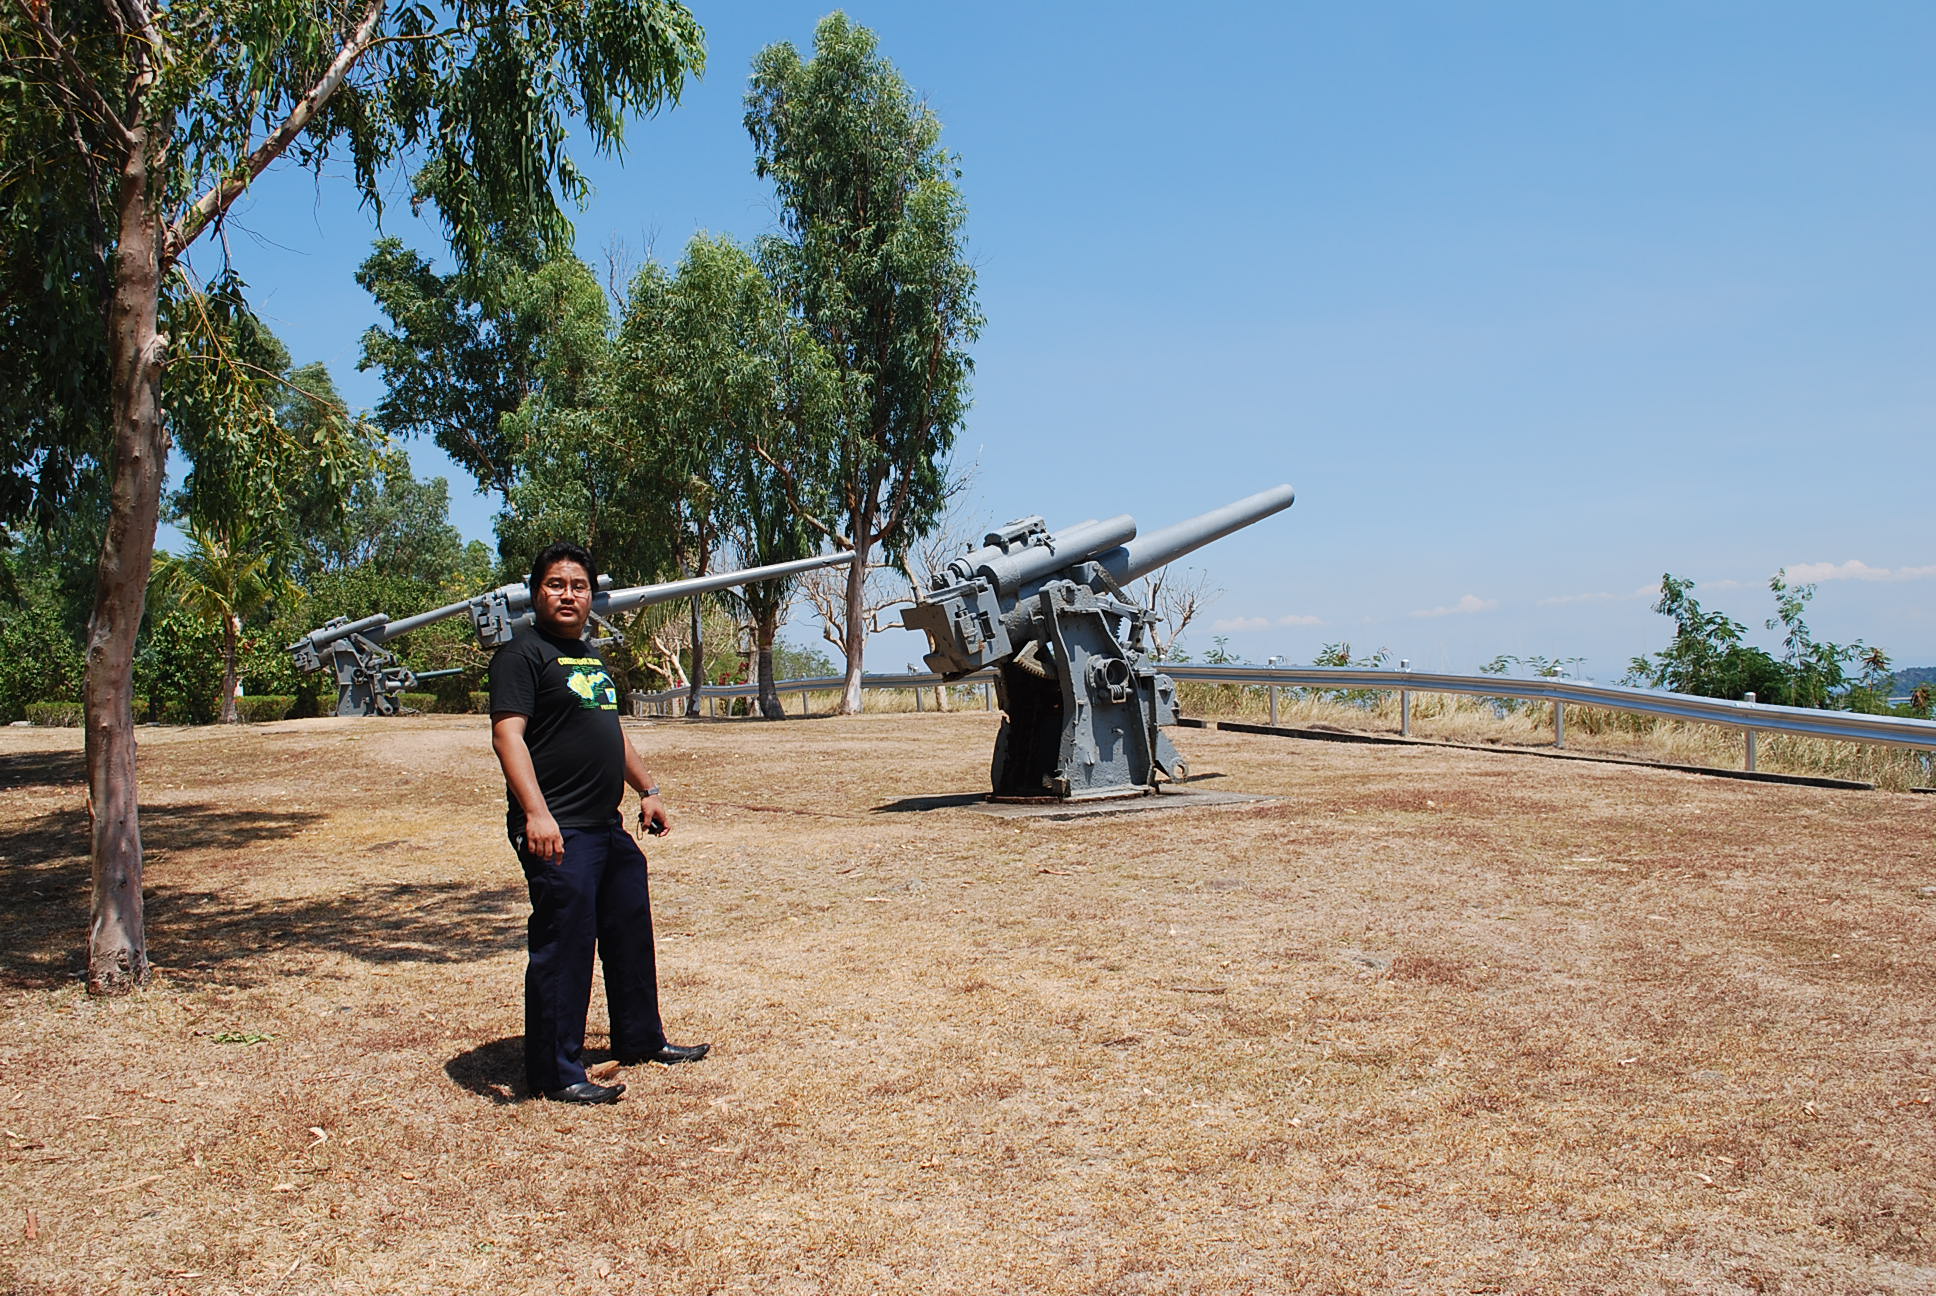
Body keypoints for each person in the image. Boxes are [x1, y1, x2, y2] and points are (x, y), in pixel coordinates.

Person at [489, 541, 709, 1103]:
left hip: (605, 825)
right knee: (565, 945)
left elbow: (611, 730)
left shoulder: (590, 656)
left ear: (591, 596)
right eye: (556, 584)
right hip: (557, 827)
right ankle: (555, 1071)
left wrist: (648, 788)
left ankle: (640, 1038)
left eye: (579, 586)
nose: (568, 594)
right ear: (536, 592)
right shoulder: (522, 655)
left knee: (628, 930)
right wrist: (536, 814)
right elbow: (507, 736)